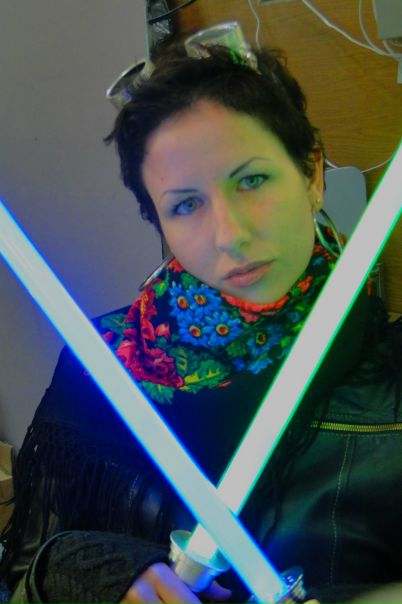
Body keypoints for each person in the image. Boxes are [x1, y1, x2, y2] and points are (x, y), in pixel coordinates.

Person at [1, 27, 401, 604]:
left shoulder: (391, 375)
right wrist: (100, 575)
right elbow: (26, 574)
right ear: (156, 220)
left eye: (252, 180)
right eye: (186, 204)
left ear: (312, 174)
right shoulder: (99, 367)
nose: (230, 235)